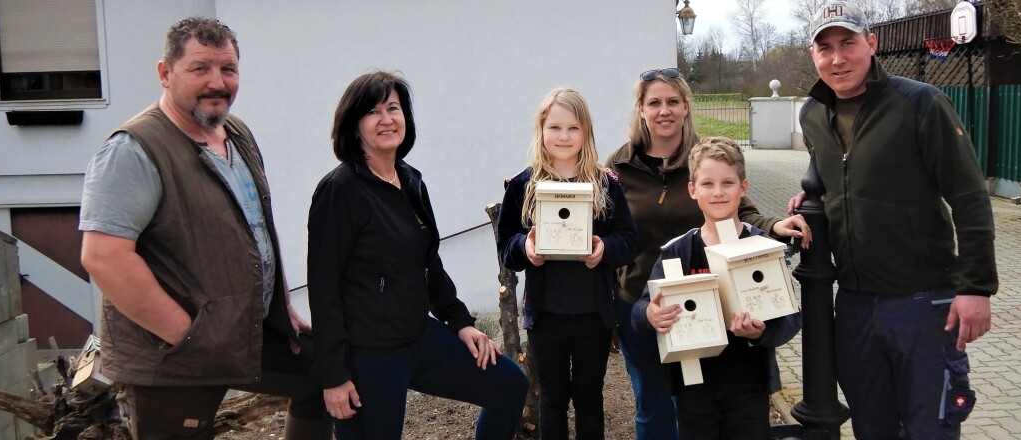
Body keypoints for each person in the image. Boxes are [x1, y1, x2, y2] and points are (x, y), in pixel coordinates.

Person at [78, 17, 329, 439]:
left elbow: (258, 226)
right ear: (165, 73)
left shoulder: (236, 132)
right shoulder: (134, 149)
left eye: (227, 69)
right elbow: (103, 257)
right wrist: (188, 336)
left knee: (322, 375)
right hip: (173, 354)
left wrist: (282, 306)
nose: (217, 82)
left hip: (246, 330)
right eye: (200, 69)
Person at [791, 2, 998, 438]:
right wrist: (816, 198)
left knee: (929, 427)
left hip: (922, 303)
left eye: (847, 43)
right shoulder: (812, 114)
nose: (837, 57)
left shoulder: (920, 104)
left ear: (871, 44)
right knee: (872, 427)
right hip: (854, 304)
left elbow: (969, 196)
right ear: (813, 56)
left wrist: (975, 287)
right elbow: (842, 178)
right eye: (824, 48)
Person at [307, 71, 529, 440]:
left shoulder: (409, 180)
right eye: (373, 111)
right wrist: (334, 376)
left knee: (507, 386)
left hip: (418, 337)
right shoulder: (340, 190)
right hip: (369, 355)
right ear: (354, 124)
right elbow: (323, 286)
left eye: (393, 108)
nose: (386, 119)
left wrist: (460, 322)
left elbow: (429, 261)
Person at [605, 67, 810, 440]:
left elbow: (740, 211)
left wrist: (775, 226)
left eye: (673, 101)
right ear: (641, 108)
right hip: (646, 299)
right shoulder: (617, 167)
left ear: (686, 106)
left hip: (716, 307)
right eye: (654, 102)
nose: (664, 110)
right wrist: (617, 311)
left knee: (704, 406)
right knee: (653, 405)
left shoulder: (707, 157)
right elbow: (606, 233)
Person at [633, 137, 802, 440]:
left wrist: (760, 333)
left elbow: (790, 318)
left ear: (744, 188)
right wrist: (650, 314)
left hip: (749, 384)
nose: (719, 192)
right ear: (693, 190)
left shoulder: (761, 247)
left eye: (728, 182)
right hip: (694, 386)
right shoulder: (677, 252)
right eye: (708, 184)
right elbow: (640, 309)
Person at [496, 88, 638, 440]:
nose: (563, 136)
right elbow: (506, 248)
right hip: (546, 316)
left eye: (573, 128)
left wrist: (603, 247)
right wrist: (525, 249)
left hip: (594, 314)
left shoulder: (605, 184)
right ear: (541, 130)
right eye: (555, 127)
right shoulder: (522, 186)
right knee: (554, 397)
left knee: (589, 396)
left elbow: (628, 241)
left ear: (586, 132)